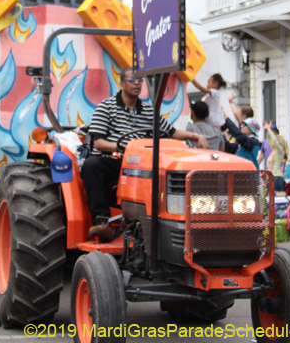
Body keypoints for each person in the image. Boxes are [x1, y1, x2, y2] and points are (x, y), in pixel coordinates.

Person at [82, 67, 206, 241]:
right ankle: (102, 221)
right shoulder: (106, 107)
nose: (137, 84)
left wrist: (195, 136)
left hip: (140, 163)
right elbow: (98, 142)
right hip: (115, 160)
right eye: (132, 80)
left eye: (139, 80)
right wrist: (122, 148)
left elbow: (171, 132)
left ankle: (168, 219)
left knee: (166, 170)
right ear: (122, 84)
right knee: (91, 164)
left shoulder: (149, 111)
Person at [262, 121, 289, 192]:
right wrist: (267, 130)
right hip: (270, 178)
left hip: (277, 178)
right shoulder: (273, 151)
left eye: (273, 141)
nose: (271, 142)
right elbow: (269, 139)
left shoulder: (280, 151)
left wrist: (269, 129)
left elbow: (274, 140)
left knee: (277, 198)